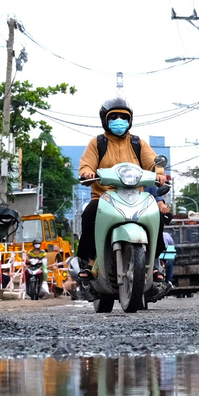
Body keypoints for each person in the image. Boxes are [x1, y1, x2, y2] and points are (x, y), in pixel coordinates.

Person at [77, 96, 168, 281]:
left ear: (130, 120)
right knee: (89, 213)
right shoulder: (97, 143)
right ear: (105, 120)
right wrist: (86, 173)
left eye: (123, 117)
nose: (119, 120)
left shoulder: (138, 143)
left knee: (157, 214)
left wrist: (159, 172)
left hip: (136, 195)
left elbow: (153, 162)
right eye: (114, 116)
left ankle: (155, 262)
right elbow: (86, 165)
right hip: (104, 197)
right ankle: (91, 260)